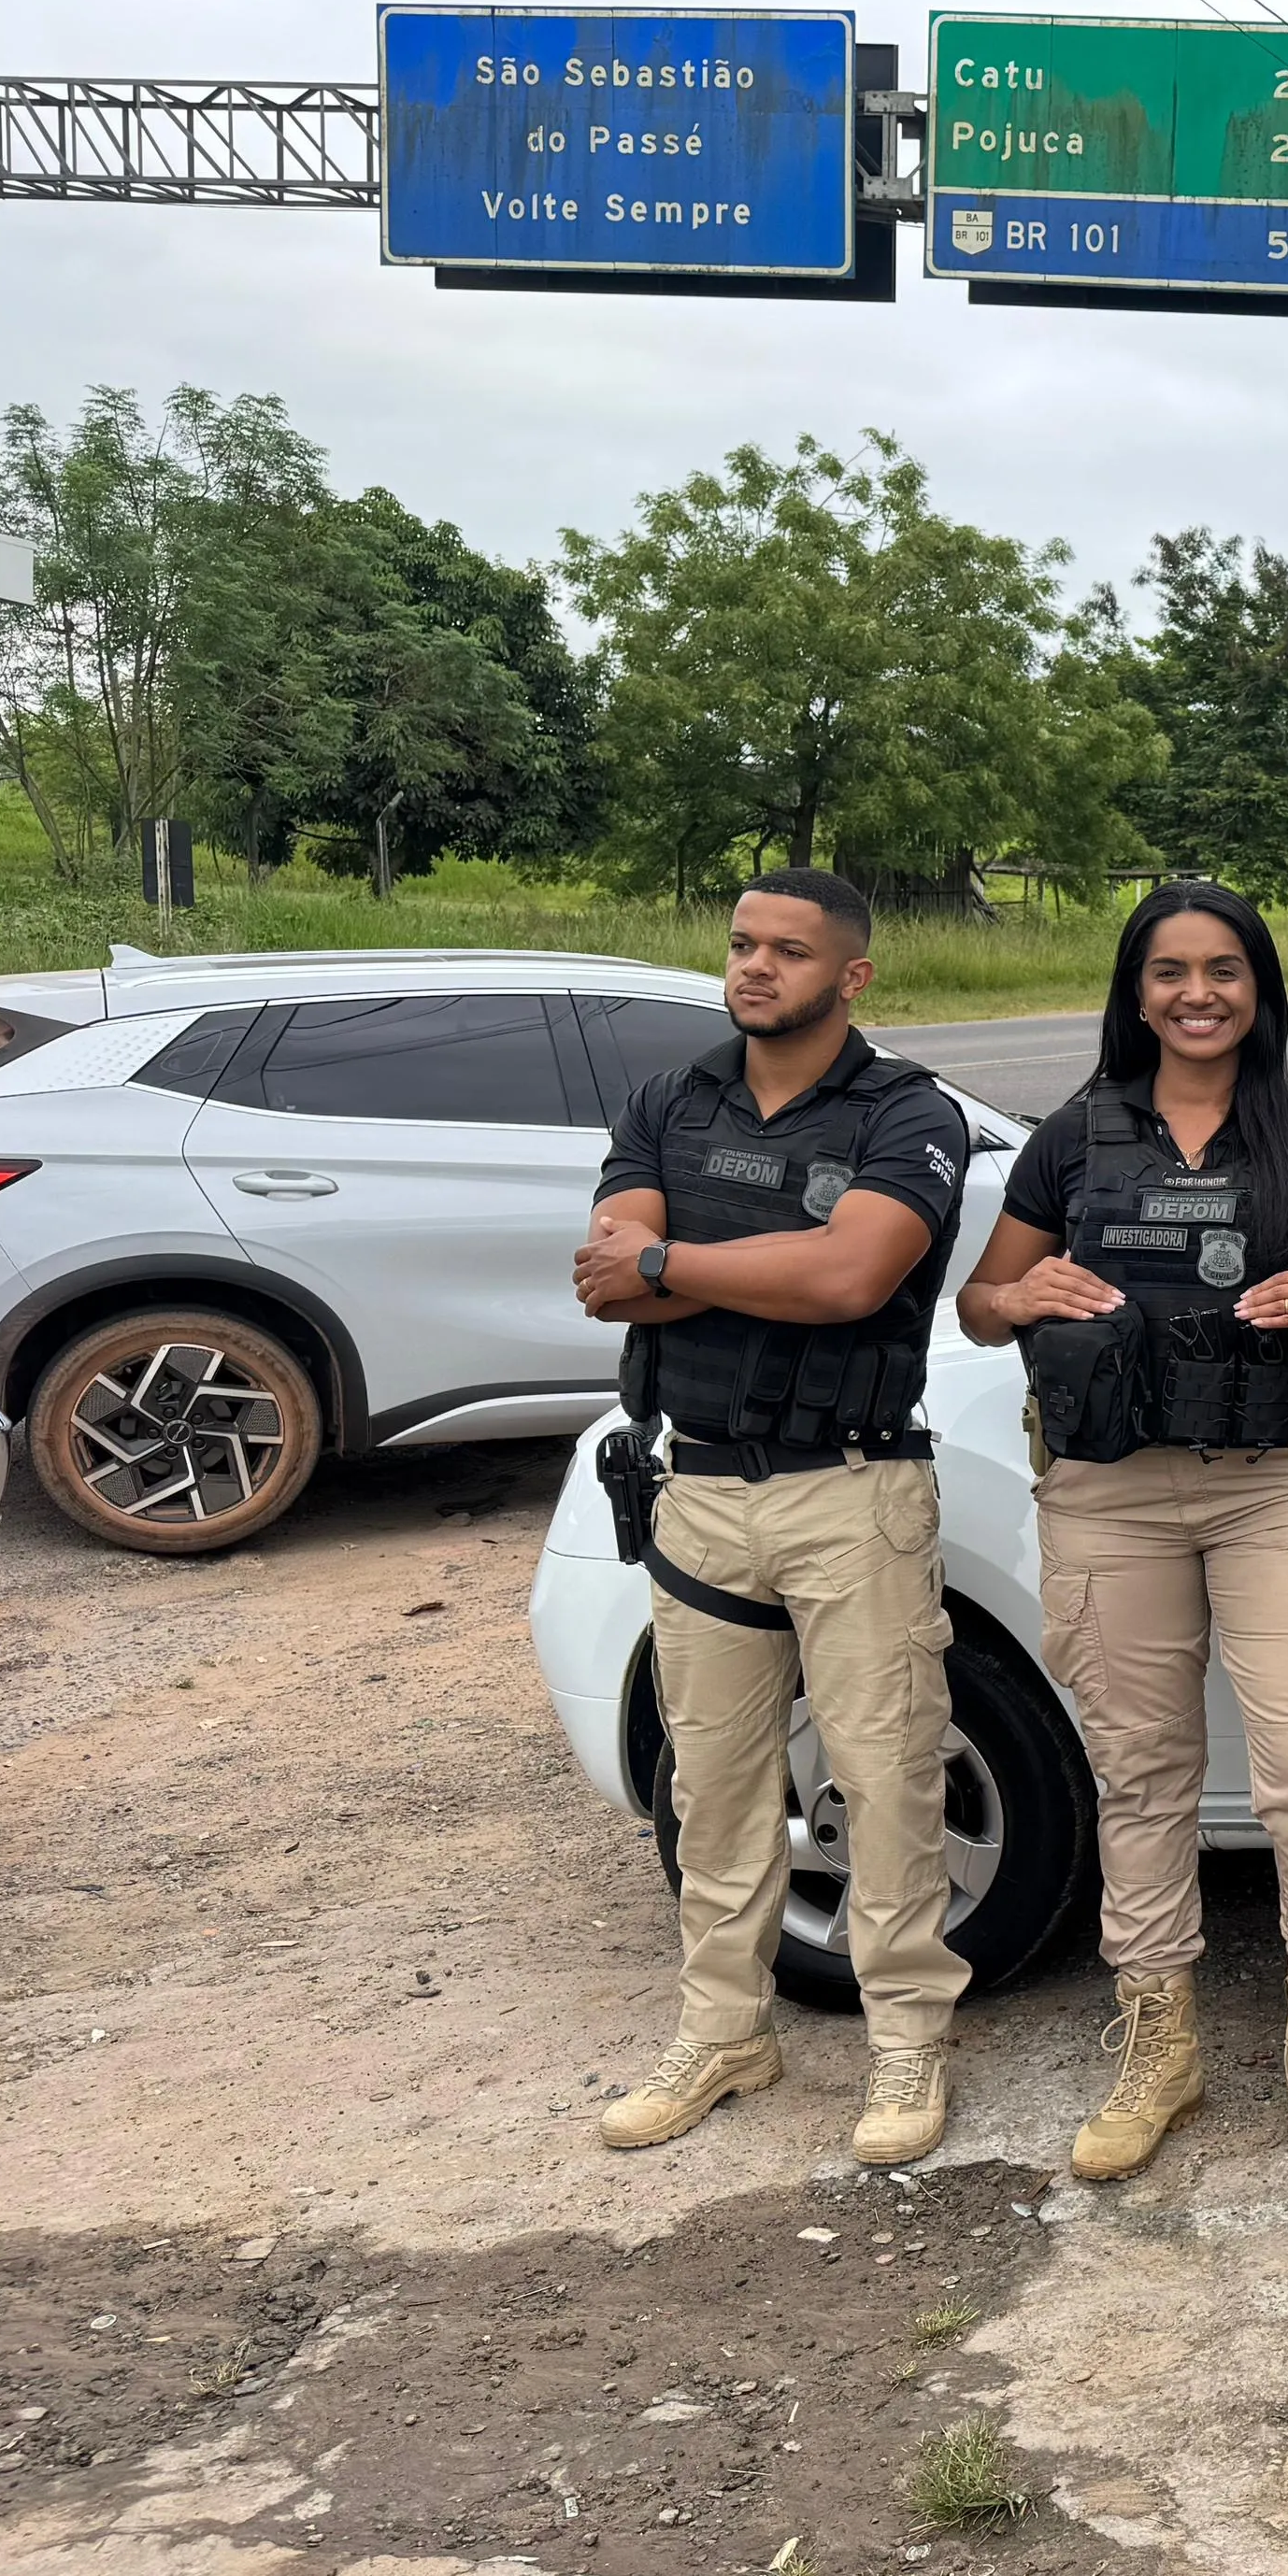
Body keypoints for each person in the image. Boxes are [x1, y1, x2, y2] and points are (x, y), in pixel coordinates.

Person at [955, 881, 1288, 2181]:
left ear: (1260, 989)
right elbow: (986, 1306)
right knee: (1142, 1777)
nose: (1196, 994)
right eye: (1168, 972)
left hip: (1273, 1480)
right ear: (1133, 989)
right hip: (1109, 1492)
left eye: (1223, 971)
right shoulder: (1072, 1143)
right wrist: (1014, 1291)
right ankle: (1161, 2040)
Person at [570, 871, 972, 2167]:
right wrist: (739, 1272)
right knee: (714, 1783)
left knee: (887, 1776)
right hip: (695, 1488)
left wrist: (675, 1262)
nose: (755, 969)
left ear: (850, 976)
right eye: (743, 945)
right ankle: (725, 2033)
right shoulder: (668, 1101)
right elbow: (603, 1276)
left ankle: (907, 2045)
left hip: (851, 1491)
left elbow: (856, 1275)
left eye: (788, 952)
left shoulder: (907, 1112)